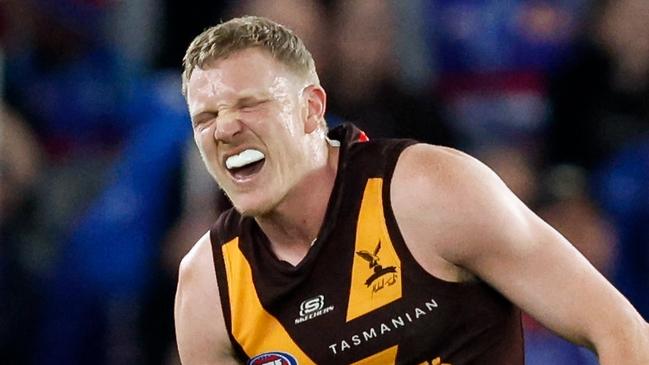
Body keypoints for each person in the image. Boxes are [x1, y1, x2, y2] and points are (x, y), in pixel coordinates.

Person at [174, 16, 649, 364]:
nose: (226, 128)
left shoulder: (427, 193)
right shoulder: (209, 287)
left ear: (312, 110)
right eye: (206, 118)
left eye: (250, 104)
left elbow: (621, 332)